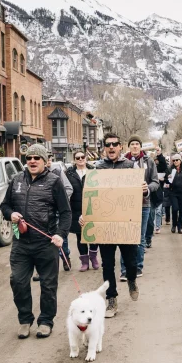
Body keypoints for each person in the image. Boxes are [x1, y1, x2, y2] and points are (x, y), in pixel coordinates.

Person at [80, 133, 157, 318]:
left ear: (120, 147)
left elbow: (139, 193)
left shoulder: (130, 167)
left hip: (125, 224)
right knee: (108, 265)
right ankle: (111, 299)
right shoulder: (97, 169)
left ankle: (131, 279)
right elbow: (89, 196)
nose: (112, 147)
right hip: (105, 226)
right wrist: (84, 215)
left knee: (131, 262)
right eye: (108, 145)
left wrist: (144, 190)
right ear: (104, 148)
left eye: (115, 144)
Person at [1, 144, 70, 339]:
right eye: (29, 157)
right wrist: (10, 213)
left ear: (44, 161)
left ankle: (46, 321)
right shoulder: (16, 180)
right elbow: (4, 205)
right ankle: (25, 319)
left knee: (48, 285)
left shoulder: (54, 182)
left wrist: (60, 234)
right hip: (21, 243)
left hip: (46, 243)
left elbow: (65, 213)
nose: (32, 161)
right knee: (18, 281)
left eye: (36, 158)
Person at [119, 134, 159, 281]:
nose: (135, 146)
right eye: (132, 144)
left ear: (140, 146)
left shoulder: (149, 161)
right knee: (125, 238)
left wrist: (146, 188)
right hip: (125, 205)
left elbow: (155, 182)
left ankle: (138, 267)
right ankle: (124, 270)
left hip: (143, 204)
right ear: (128, 146)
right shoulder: (122, 161)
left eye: (137, 143)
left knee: (140, 238)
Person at [65, 150, 99, 271]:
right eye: (77, 158)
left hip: (92, 207)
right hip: (76, 208)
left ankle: (94, 258)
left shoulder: (94, 171)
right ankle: (84, 262)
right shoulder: (69, 173)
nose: (80, 159)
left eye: (82, 157)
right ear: (74, 160)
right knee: (81, 236)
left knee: (93, 235)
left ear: (86, 158)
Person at [45, 154, 73, 271]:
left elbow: (68, 188)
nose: (48, 162)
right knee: (44, 242)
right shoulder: (30, 176)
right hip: (41, 216)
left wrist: (59, 201)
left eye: (49, 159)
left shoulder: (57, 172)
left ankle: (65, 256)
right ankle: (43, 268)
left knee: (61, 237)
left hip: (57, 212)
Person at [167, 153, 182, 234]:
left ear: (180, 160)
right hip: (173, 192)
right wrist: (167, 178)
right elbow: (166, 180)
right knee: (175, 209)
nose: (175, 161)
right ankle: (174, 225)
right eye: (174, 160)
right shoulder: (170, 169)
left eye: (177, 160)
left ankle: (180, 227)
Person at [154, 149, 168, 233]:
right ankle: (152, 225)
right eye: (155, 160)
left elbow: (164, 166)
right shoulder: (150, 168)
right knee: (152, 211)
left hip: (160, 191)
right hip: (151, 192)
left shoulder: (160, 168)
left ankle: (157, 227)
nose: (156, 162)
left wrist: (159, 154)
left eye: (157, 160)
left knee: (158, 211)